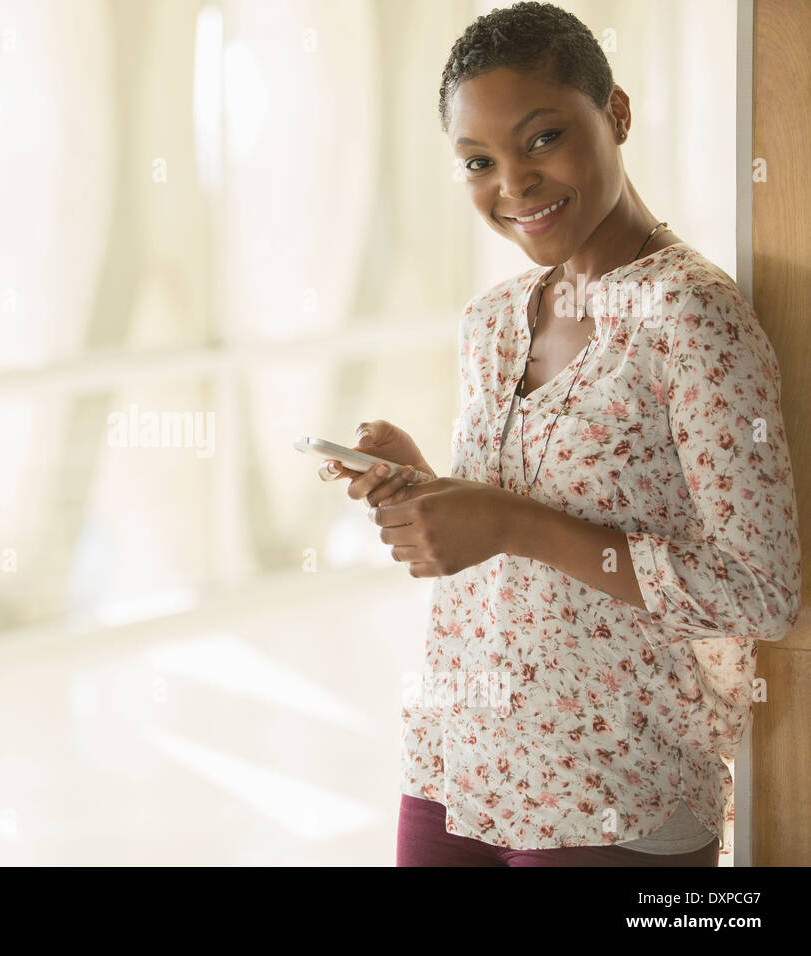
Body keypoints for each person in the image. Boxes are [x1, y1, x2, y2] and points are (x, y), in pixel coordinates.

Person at [319, 1, 801, 866]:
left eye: (542, 138)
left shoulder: (692, 318)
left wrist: (505, 524)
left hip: (612, 793)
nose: (514, 183)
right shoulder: (493, 319)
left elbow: (760, 592)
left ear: (614, 113)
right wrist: (428, 489)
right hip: (455, 762)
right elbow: (527, 520)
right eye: (479, 161)